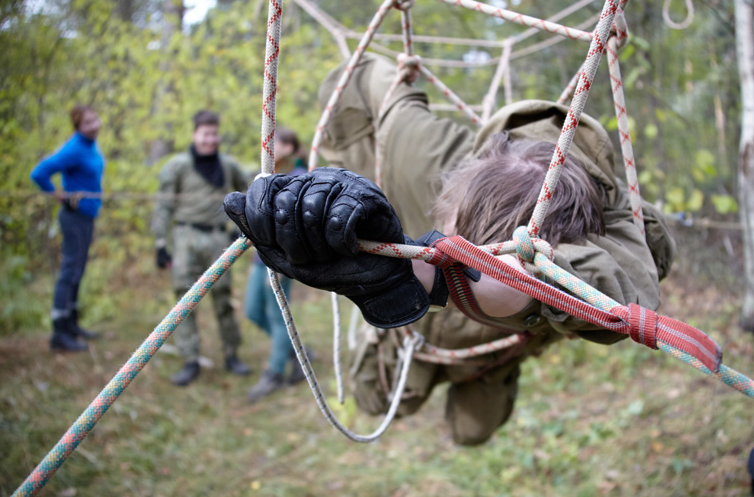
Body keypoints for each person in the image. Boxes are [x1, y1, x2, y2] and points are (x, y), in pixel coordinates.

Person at [223, 54, 676, 445]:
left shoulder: (610, 224)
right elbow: (357, 76)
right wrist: (398, 89)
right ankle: (402, 341)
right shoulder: (429, 153)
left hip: (499, 340)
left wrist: (527, 281)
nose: (443, 244)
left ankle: (488, 368)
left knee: (472, 431)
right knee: (374, 399)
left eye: (466, 252)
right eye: (446, 233)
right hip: (416, 327)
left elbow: (636, 287)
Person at [152, 110, 253, 386]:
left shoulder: (228, 165)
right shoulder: (177, 166)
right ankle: (190, 359)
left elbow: (248, 192)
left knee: (223, 298)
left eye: (214, 133)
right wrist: (161, 244)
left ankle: (232, 354)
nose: (210, 139)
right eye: (205, 134)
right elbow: (163, 206)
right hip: (185, 236)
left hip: (219, 239)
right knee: (184, 299)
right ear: (195, 134)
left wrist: (239, 224)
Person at [30, 104, 105, 352]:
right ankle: (59, 332)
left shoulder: (90, 144)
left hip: (86, 217)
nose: (94, 125)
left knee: (78, 270)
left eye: (95, 119)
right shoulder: (74, 148)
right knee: (69, 270)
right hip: (74, 218)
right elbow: (40, 173)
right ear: (78, 127)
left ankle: (72, 324)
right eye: (87, 123)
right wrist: (58, 195)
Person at [245, 128, 310, 402]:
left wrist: (285, 264)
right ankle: (297, 353)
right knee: (252, 311)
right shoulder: (266, 175)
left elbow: (294, 226)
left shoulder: (300, 178)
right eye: (275, 143)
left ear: (293, 148)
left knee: (276, 315)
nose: (277, 148)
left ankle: (274, 371)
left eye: (283, 143)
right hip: (260, 257)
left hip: (282, 260)